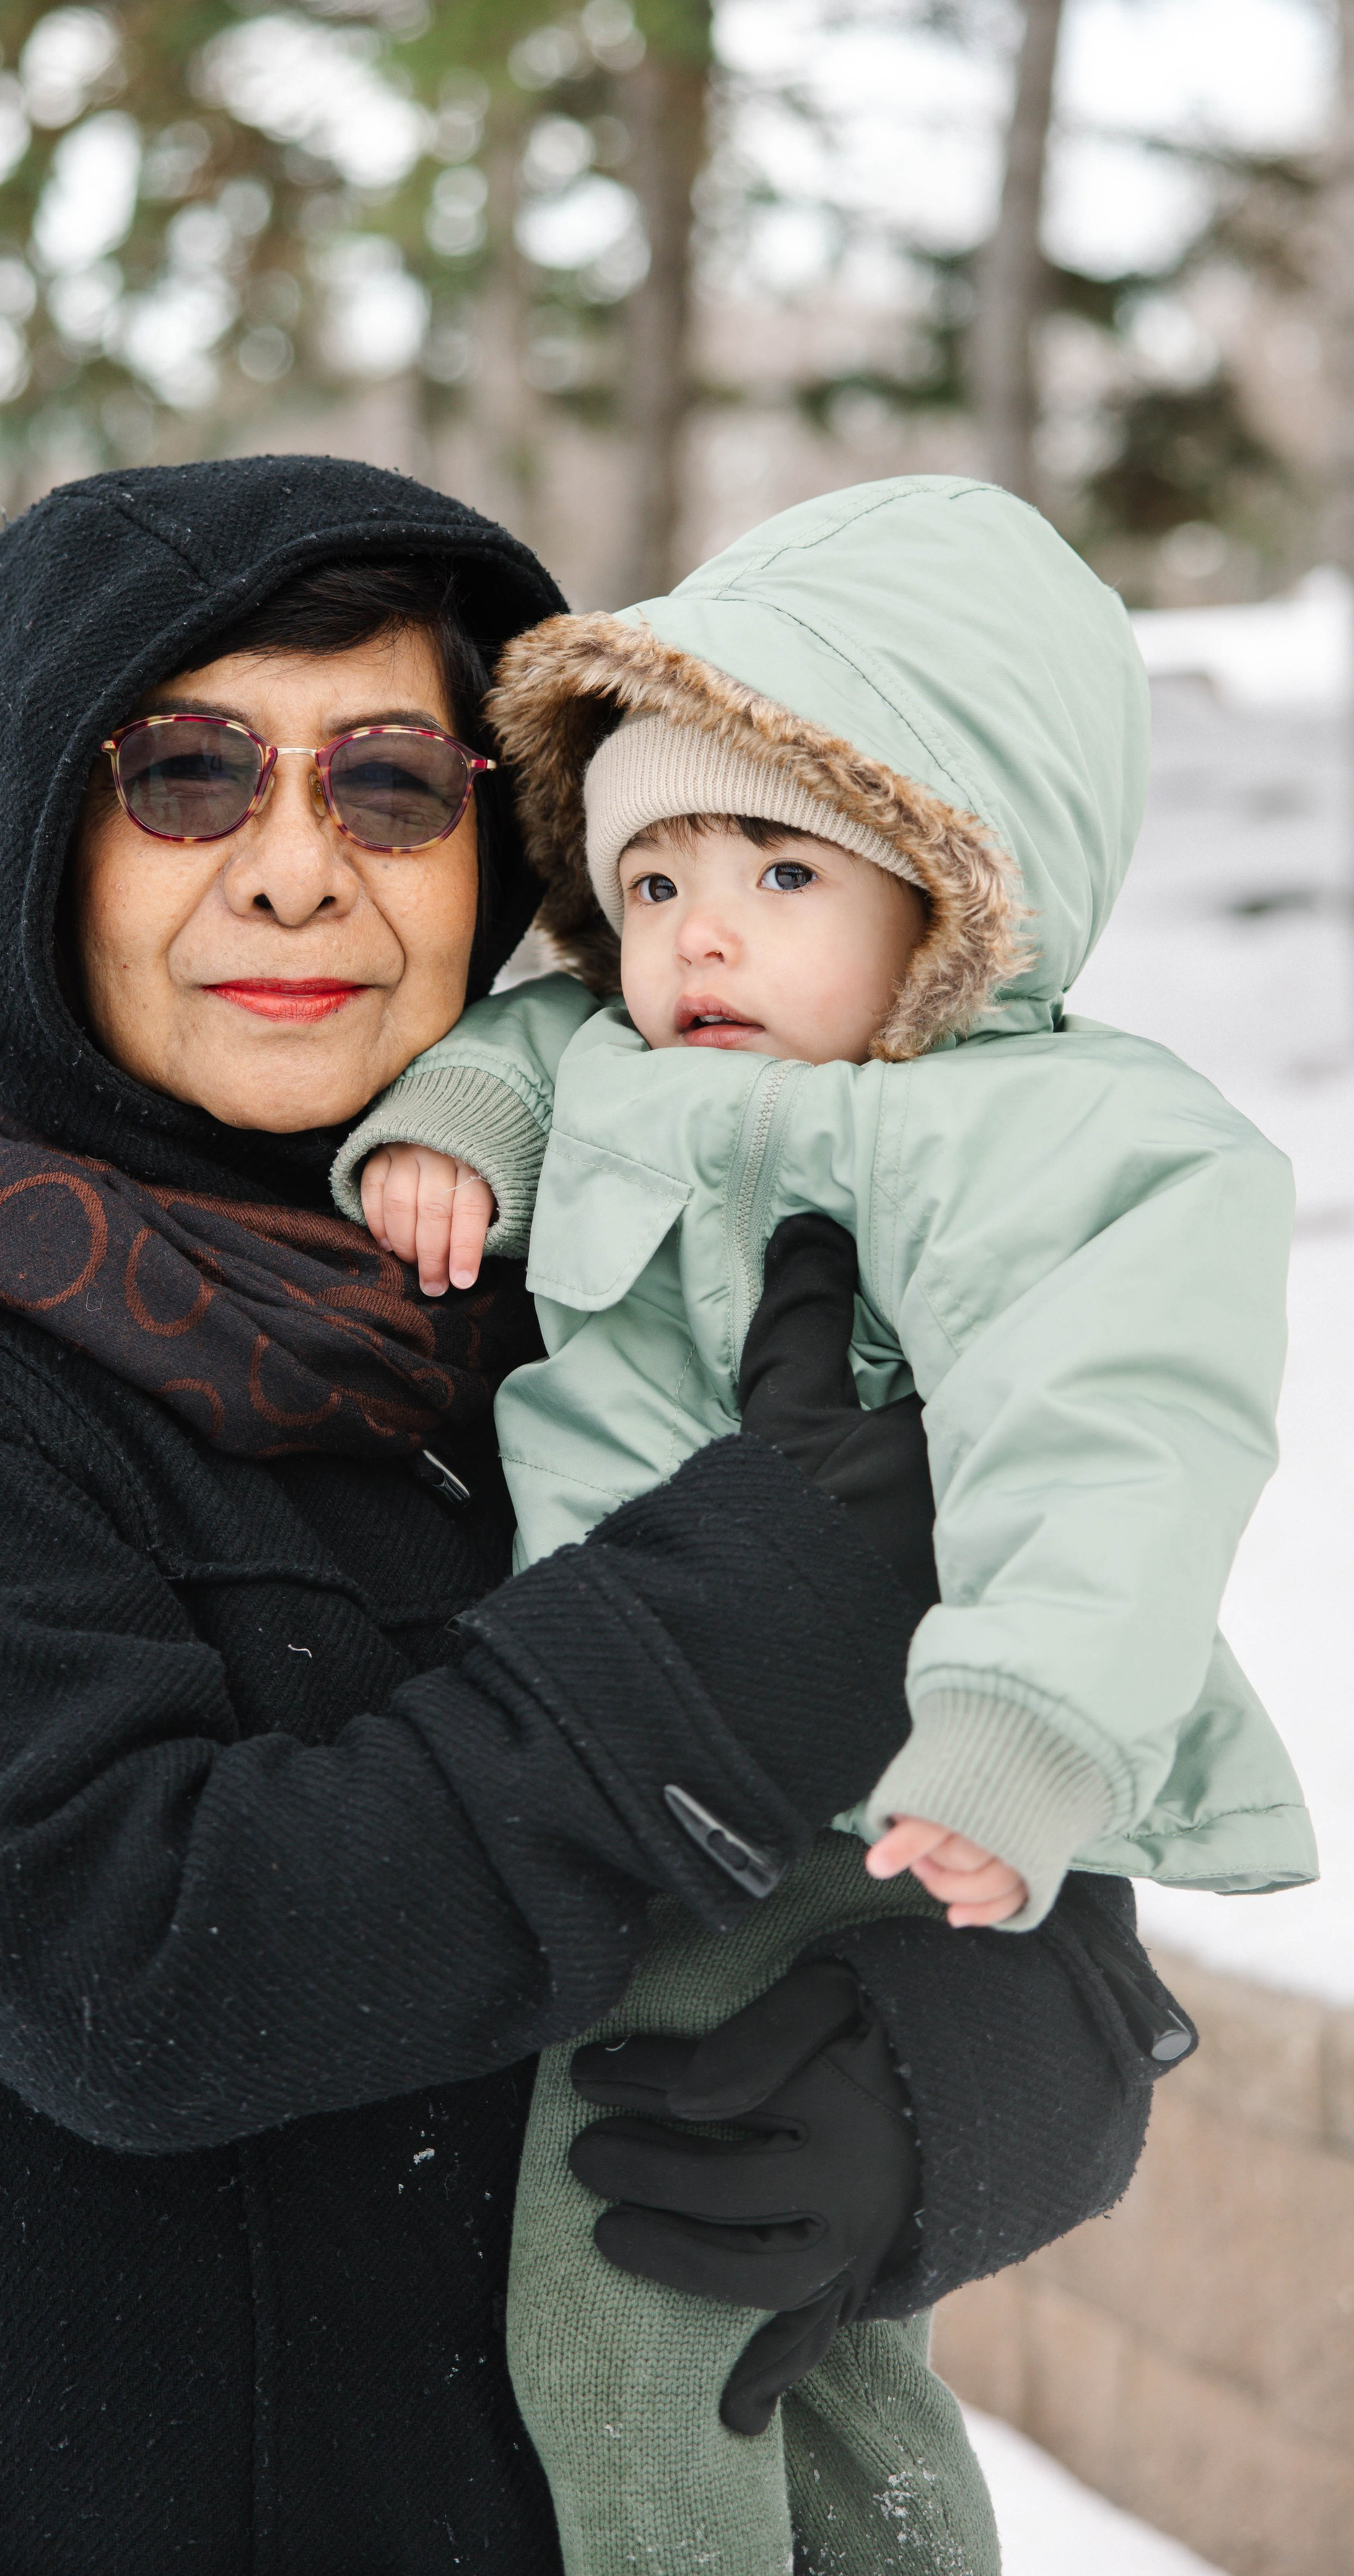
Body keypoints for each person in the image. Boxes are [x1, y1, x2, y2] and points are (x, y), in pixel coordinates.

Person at [0, 461, 1180, 2575]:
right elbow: (135, 1967)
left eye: (392, 783)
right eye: (188, 775)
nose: (299, 870)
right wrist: (750, 1608)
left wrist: (949, 2108)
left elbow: (1057, 1891)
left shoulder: (639, 1273)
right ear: (30, 832)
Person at [338, 473, 1314, 2573]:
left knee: (630, 2299)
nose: (703, 931)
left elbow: (1118, 1447)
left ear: (970, 903)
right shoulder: (613, 1044)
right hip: (653, 1771)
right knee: (816, 2349)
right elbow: (529, 1046)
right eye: (658, 870)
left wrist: (1020, 1739)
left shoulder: (1071, 1142)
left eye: (785, 866)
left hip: (889, 1802)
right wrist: (454, 1129)